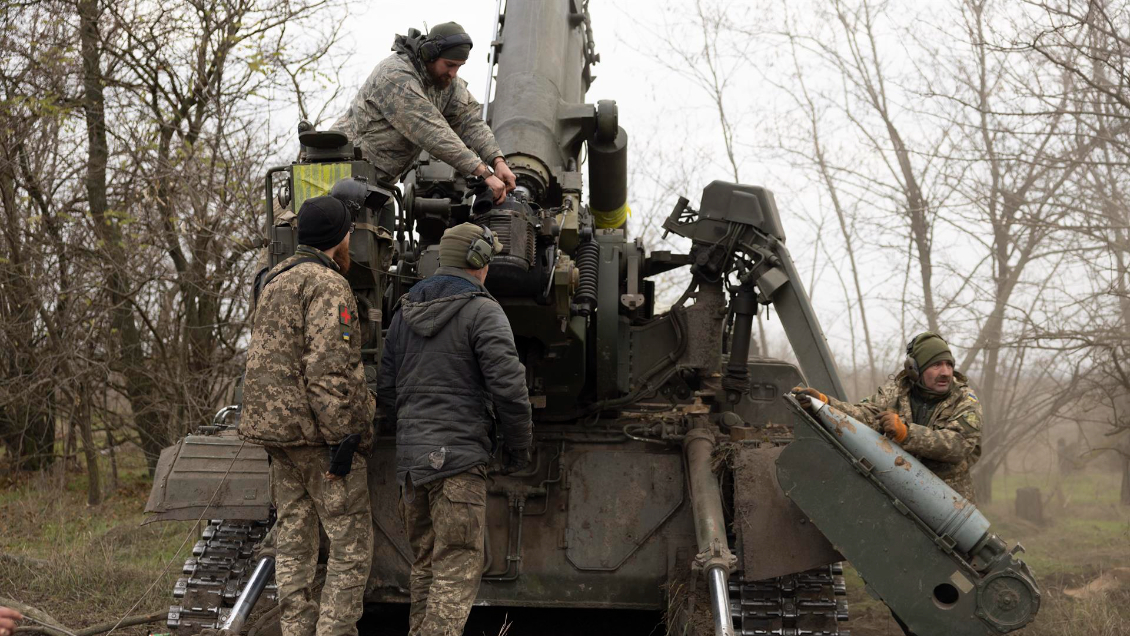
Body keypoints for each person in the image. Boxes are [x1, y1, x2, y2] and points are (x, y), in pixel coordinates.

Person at [378, 223, 534, 636]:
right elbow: (510, 388)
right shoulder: (484, 311)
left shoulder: (404, 311)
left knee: (426, 568)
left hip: (412, 468)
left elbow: (387, 387)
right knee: (457, 569)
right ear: (478, 260)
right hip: (458, 464)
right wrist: (518, 447)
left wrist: (412, 437)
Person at [239, 195, 375, 636]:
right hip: (317, 438)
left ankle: (296, 630)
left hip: (277, 436)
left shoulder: (274, 279)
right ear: (340, 238)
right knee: (350, 545)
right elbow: (327, 371)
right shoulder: (328, 284)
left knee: (294, 542)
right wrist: (345, 438)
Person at [333, 22, 517, 204]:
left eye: (459, 67)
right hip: (338, 175)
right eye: (449, 65)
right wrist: (483, 173)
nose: (453, 73)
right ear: (430, 54)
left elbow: (470, 122)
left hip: (378, 185)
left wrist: (497, 161)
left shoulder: (446, 84)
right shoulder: (395, 75)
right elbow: (431, 132)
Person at [794, 331, 983, 502]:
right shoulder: (895, 393)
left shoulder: (965, 400)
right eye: (936, 365)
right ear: (914, 370)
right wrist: (826, 404)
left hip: (949, 507)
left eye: (949, 365)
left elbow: (958, 445)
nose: (945, 372)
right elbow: (864, 414)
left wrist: (906, 433)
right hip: (900, 497)